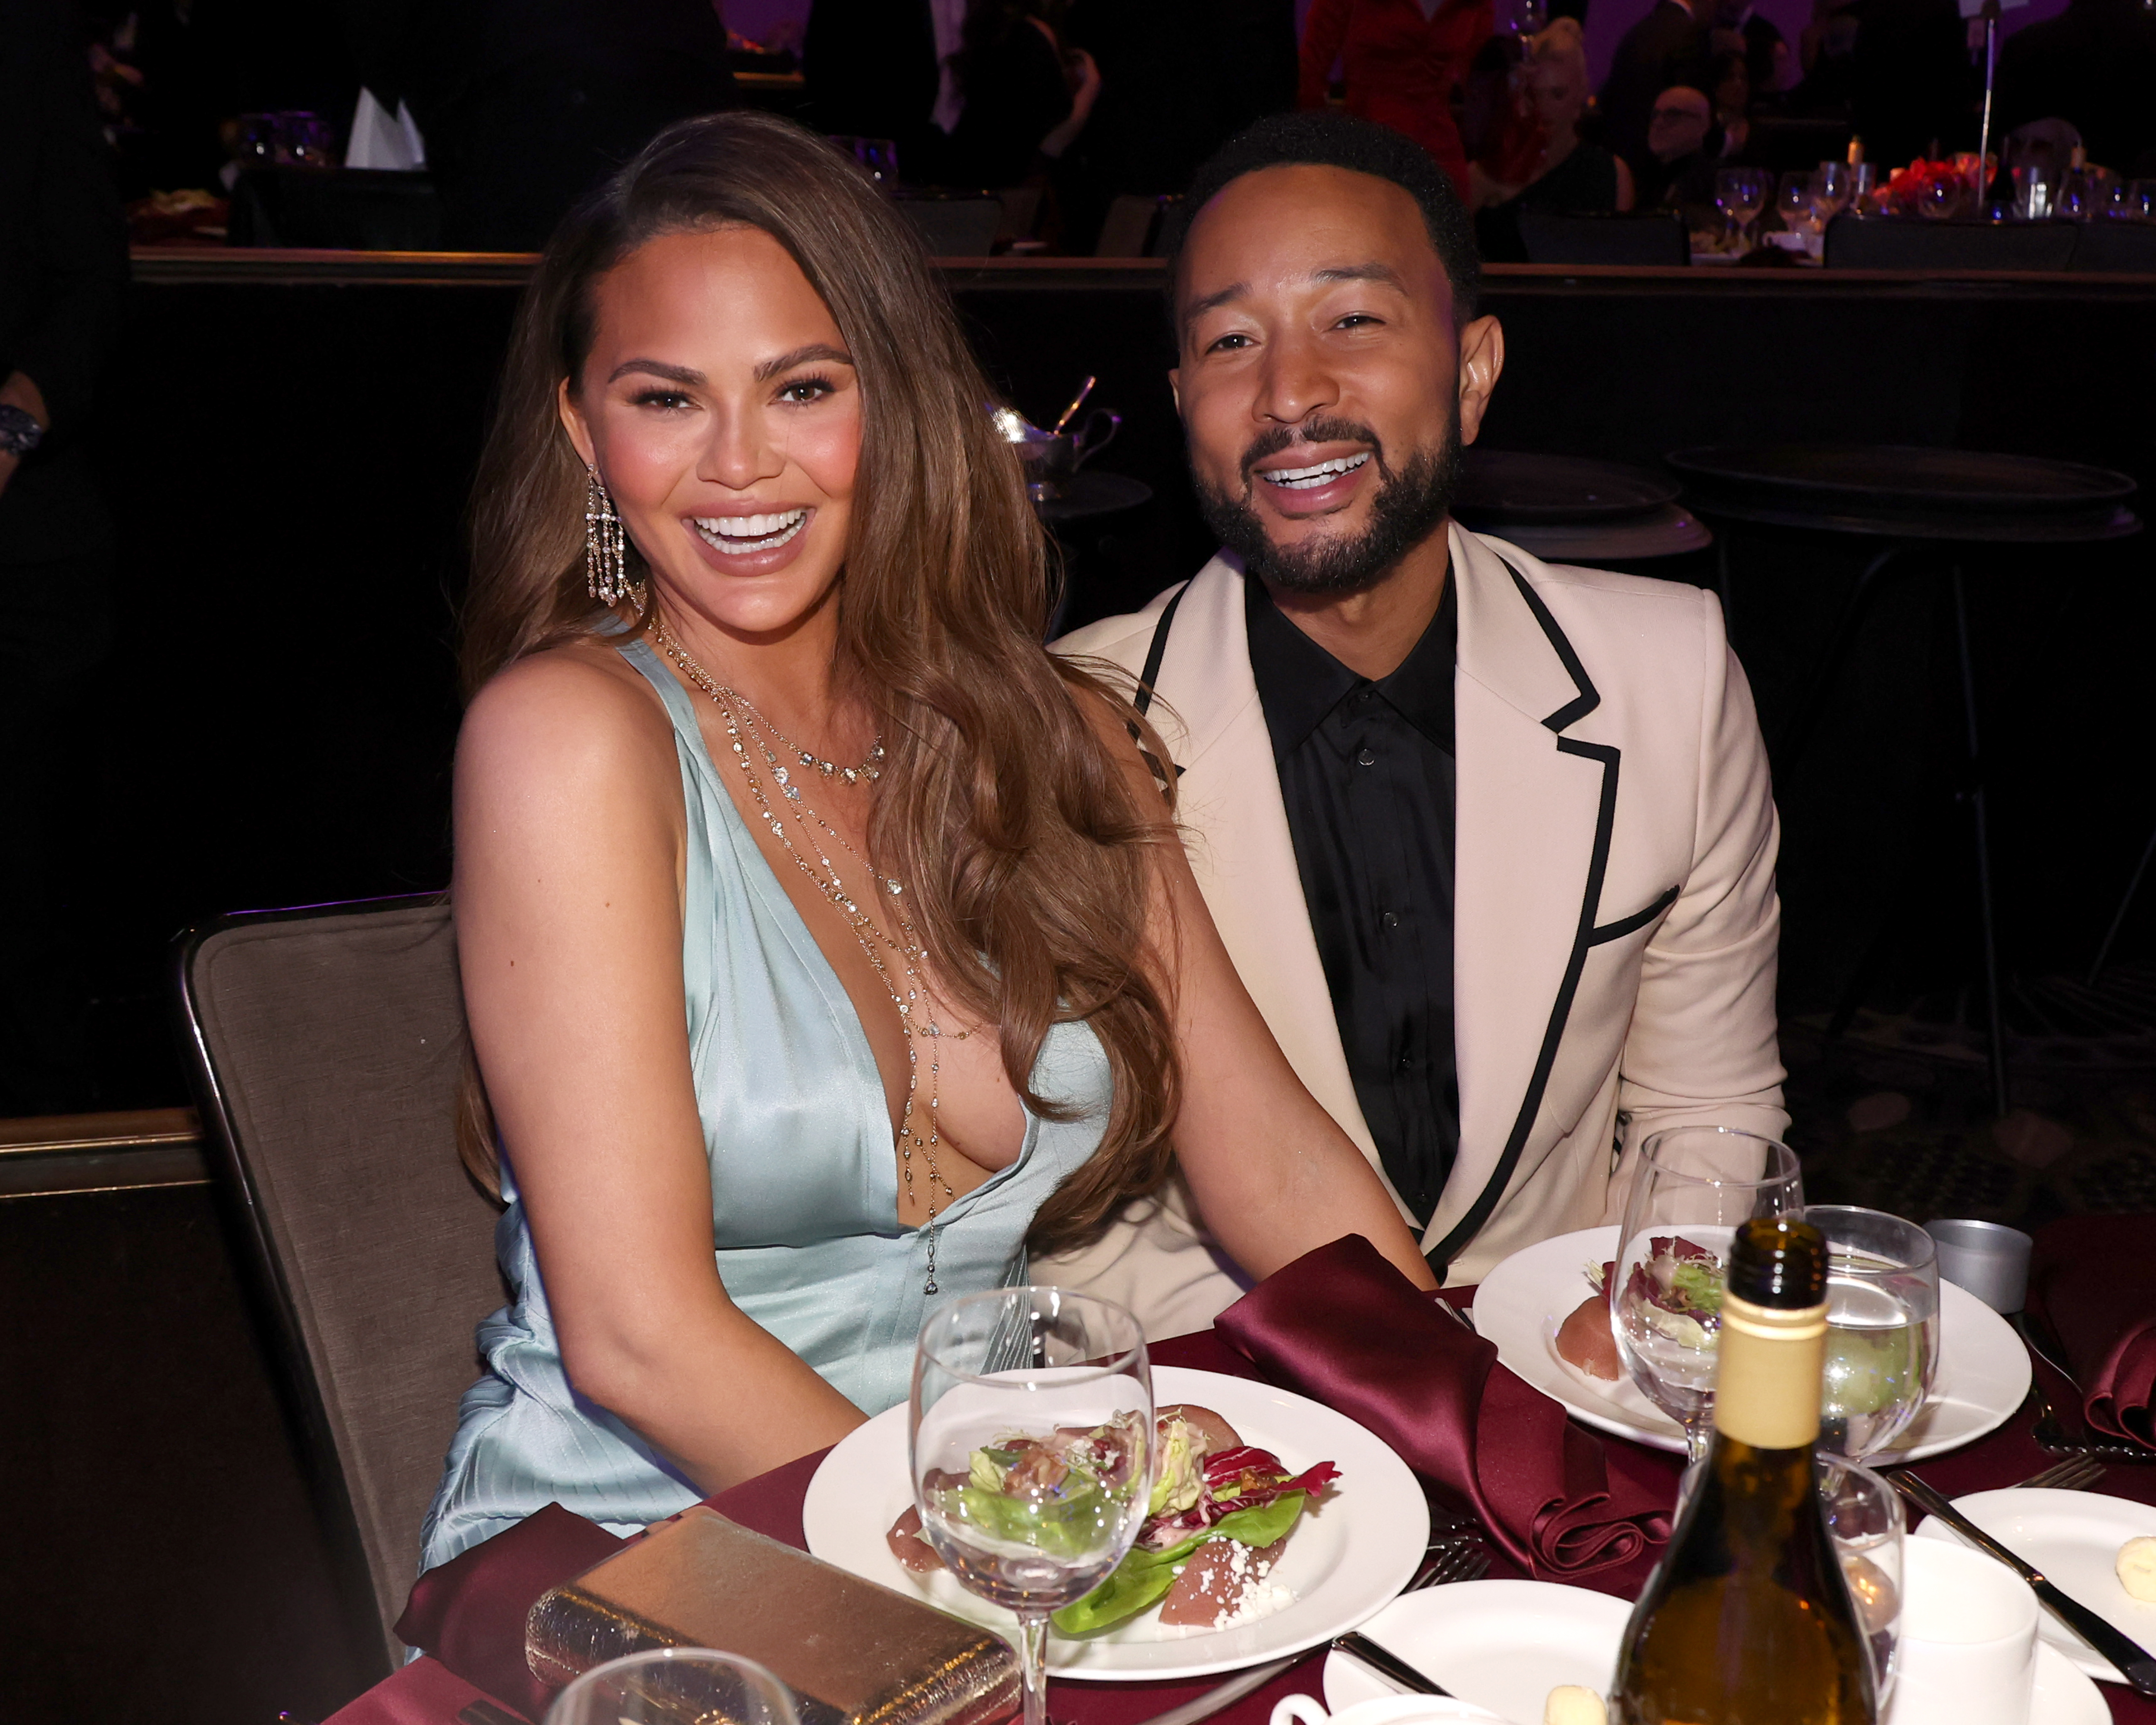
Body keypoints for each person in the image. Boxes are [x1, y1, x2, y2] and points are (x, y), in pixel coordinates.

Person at [418, 111, 1432, 1572]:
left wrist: (1485, 1433)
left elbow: (1278, 1169)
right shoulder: (567, 739)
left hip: (992, 1514)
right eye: (667, 400)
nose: (740, 465)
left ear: (893, 402)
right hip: (642, 1549)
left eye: (801, 388)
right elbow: (640, 1339)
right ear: (586, 431)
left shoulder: (1053, 733)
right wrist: (999, 1562)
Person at [1040, 112, 1785, 1334]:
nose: (1289, 391)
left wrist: (1638, 1331)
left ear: (1472, 370)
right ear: (1182, 402)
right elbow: (1071, 1204)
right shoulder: (1066, 725)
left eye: (1352, 319)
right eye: (1231, 340)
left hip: (1555, 1367)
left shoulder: (1669, 679)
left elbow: (1708, 1111)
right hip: (1211, 1386)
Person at [0, 0, 128, 1113]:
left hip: (24, 545)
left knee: (24, 906)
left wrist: (12, 427)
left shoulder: (23, 31)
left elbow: (90, 274)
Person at [1470, 18, 1635, 263]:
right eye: (1534, 95)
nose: (1544, 107)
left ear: (1580, 96)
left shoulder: (1610, 174)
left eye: (1557, 94)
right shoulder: (1486, 173)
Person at [1297, 0, 1497, 199]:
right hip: (1368, 149)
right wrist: (1319, 158)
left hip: (1439, 151)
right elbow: (1310, 76)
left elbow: (1483, 86)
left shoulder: (1477, 6)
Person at [1995, 0, 2156, 179]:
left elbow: (1995, 142)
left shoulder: (2023, 44)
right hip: (2123, 184)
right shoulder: (2145, 47)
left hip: (2028, 184)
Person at [1597, 0, 1711, 173]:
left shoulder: (1636, 33)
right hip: (1664, 169)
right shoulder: (1691, 36)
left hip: (1620, 159)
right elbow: (1692, 108)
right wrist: (1727, 142)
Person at [1635, 83, 1717, 210]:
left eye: (1673, 115)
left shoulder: (1709, 183)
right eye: (1655, 115)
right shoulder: (1643, 176)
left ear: (1703, 125)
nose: (1658, 123)